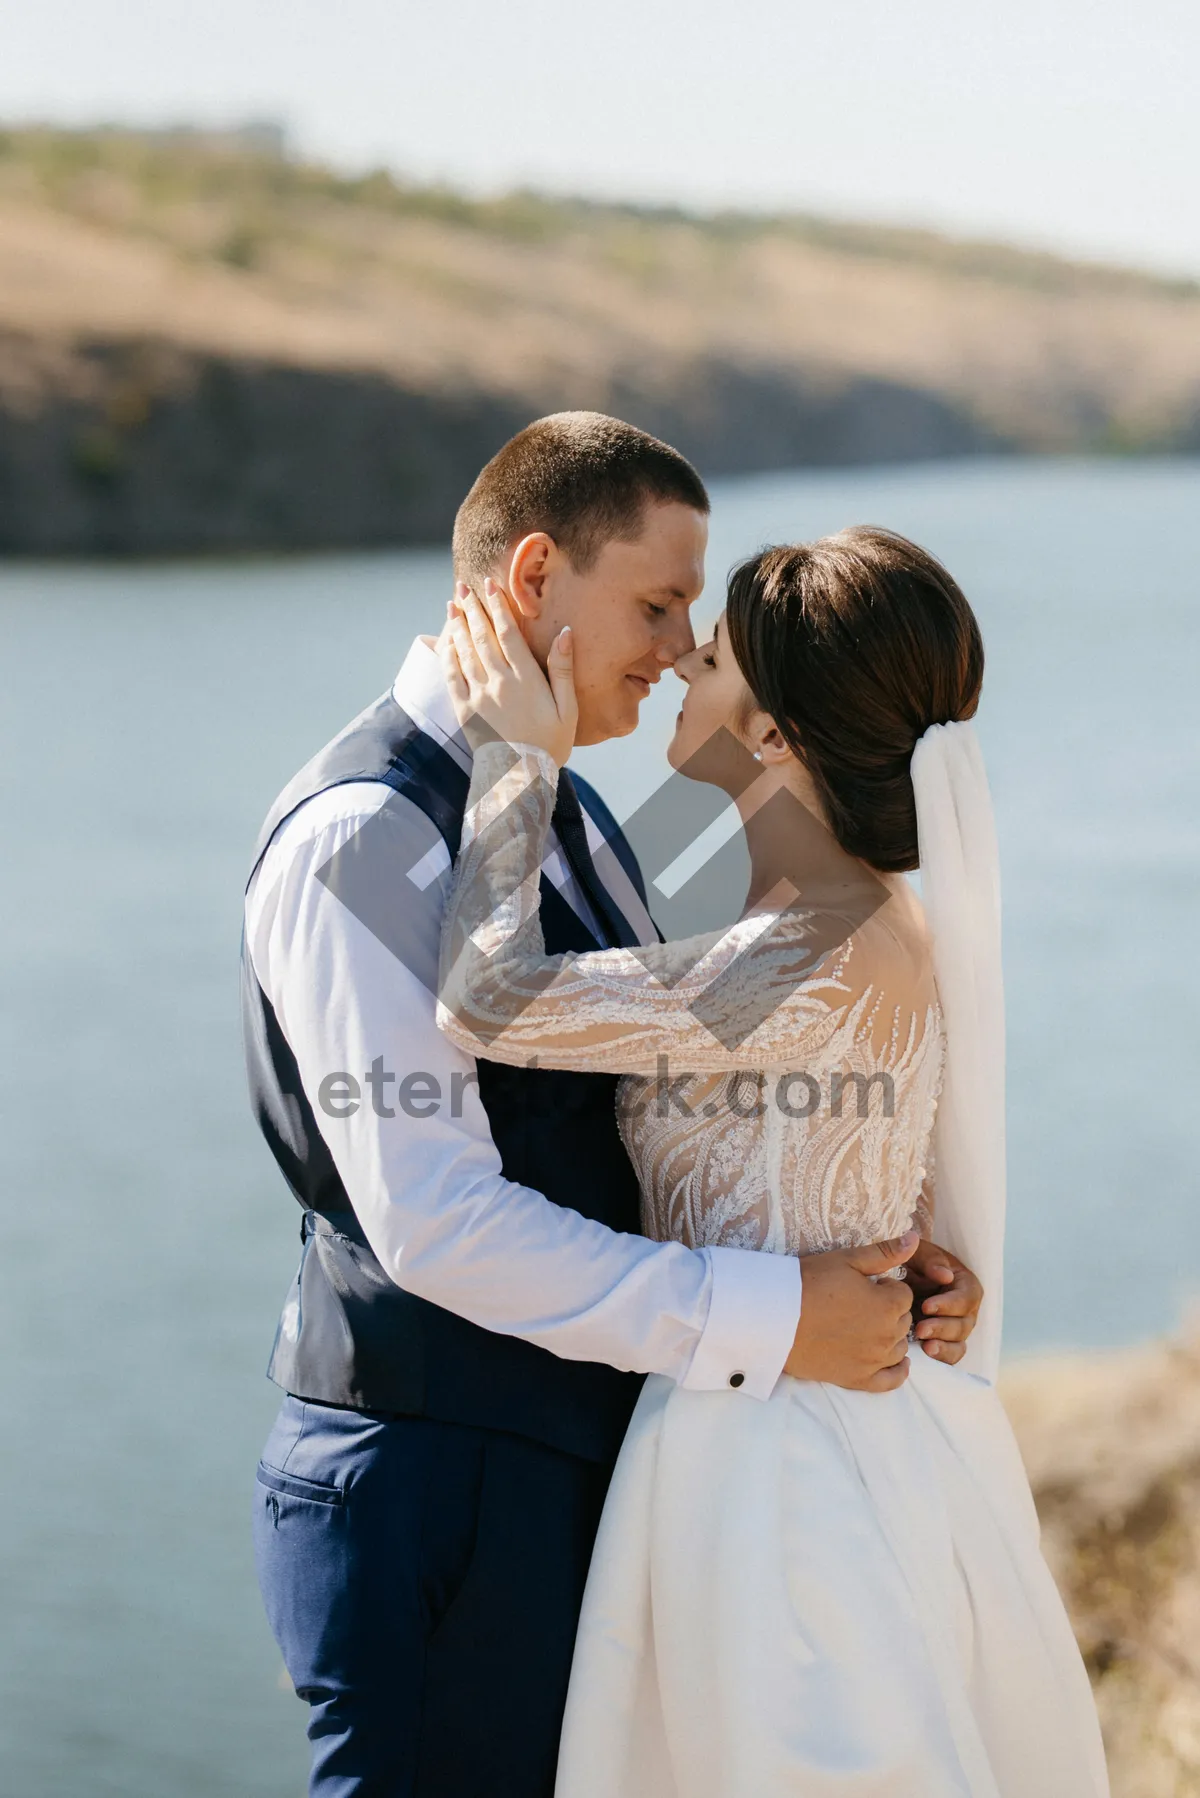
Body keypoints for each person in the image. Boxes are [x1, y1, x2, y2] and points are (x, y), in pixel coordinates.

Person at [244, 413, 982, 1797]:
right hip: (436, 1486)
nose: (675, 646)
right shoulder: (365, 836)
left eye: (700, 626)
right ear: (536, 578)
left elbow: (704, 1098)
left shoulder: (575, 821)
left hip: (634, 1468)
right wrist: (790, 1303)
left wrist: (878, 1241)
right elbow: (440, 1220)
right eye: (659, 605)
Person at [436, 531, 1109, 1797]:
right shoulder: (873, 923)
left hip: (776, 1485)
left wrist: (510, 756)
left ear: (775, 738)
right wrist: (933, 1276)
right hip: (835, 1428)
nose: (687, 657)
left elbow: (486, 998)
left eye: (720, 654)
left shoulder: (803, 947)